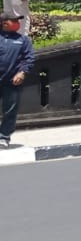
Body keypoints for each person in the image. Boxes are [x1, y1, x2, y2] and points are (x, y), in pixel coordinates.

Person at [0, 9, 34, 148]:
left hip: (12, 82)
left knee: (10, 110)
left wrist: (23, 72)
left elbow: (29, 58)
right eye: (13, 20)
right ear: (4, 23)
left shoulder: (23, 40)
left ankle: (4, 136)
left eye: (17, 20)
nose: (16, 23)